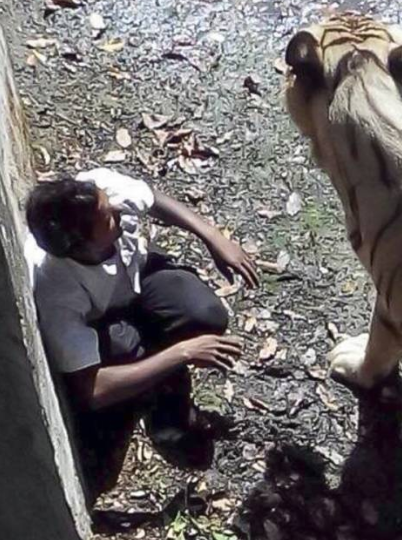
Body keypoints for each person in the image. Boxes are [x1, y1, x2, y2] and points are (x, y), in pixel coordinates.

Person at [24, 168, 259, 504]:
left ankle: (158, 378)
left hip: (136, 278)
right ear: (81, 246)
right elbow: (93, 389)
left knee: (205, 314)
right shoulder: (55, 290)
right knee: (125, 349)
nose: (118, 210)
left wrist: (214, 238)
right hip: (104, 321)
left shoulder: (97, 192)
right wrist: (182, 353)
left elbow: (152, 199)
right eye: (107, 218)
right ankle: (164, 412)